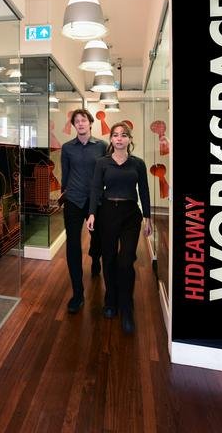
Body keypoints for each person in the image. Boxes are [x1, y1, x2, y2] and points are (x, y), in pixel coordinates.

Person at [87, 121, 152, 334]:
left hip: (130, 215)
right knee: (109, 259)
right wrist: (92, 213)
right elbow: (96, 188)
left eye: (124, 135)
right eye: (115, 135)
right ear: (111, 139)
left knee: (125, 261)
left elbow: (144, 190)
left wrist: (148, 217)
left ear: (129, 139)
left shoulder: (138, 164)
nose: (119, 138)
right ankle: (110, 301)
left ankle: (127, 307)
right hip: (107, 213)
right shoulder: (102, 163)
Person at [60, 108, 107, 314]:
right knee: (72, 244)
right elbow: (65, 174)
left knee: (97, 238)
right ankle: (77, 293)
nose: (80, 123)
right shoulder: (67, 148)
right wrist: (63, 194)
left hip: (95, 201)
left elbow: (107, 172)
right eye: (76, 121)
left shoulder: (102, 146)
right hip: (73, 200)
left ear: (90, 123)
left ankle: (95, 259)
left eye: (83, 120)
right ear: (74, 125)